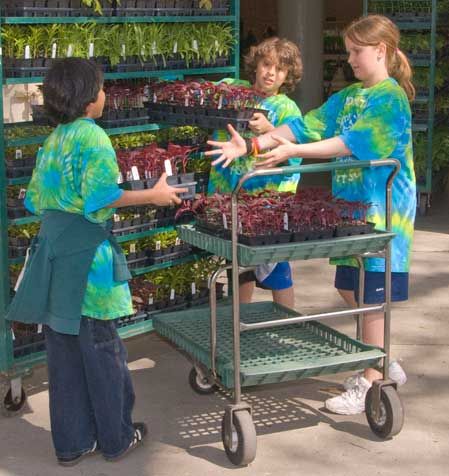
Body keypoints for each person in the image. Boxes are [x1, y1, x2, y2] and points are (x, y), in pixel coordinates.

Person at [206, 15, 416, 415]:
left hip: (383, 214)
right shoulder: (351, 95)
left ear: (381, 51)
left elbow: (348, 143)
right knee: (350, 288)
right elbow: (304, 126)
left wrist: (291, 152)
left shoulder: (390, 98)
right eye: (350, 50)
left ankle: (372, 379)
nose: (350, 58)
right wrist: (252, 146)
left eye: (356, 51)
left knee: (372, 297)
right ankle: (382, 357)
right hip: (350, 212)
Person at [6, 58, 186, 465]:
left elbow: (33, 200)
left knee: (64, 356)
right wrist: (153, 196)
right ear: (89, 98)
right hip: (89, 264)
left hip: (53, 261)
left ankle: (71, 443)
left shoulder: (53, 141)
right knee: (103, 352)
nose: (105, 95)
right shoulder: (94, 138)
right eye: (102, 88)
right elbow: (100, 199)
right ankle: (117, 437)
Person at [208, 37, 303, 308]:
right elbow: (206, 91)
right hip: (229, 196)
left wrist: (270, 130)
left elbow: (295, 153)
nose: (270, 72)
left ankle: (287, 321)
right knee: (238, 266)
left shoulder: (287, 109)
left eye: (280, 69)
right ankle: (241, 318)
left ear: (288, 76)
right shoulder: (234, 90)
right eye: (266, 64)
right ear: (256, 65)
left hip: (266, 204)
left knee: (277, 270)